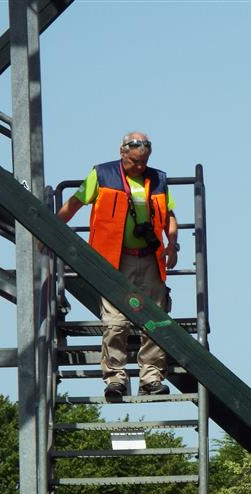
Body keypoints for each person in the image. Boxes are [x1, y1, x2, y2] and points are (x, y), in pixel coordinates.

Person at [57, 131, 179, 401]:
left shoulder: (158, 179)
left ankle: (151, 378)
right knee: (115, 322)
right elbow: (74, 203)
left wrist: (172, 245)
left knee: (156, 320)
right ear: (123, 153)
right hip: (113, 259)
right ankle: (115, 379)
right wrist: (49, 231)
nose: (139, 166)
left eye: (144, 161)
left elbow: (170, 216)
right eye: (135, 161)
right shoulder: (101, 174)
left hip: (150, 258)